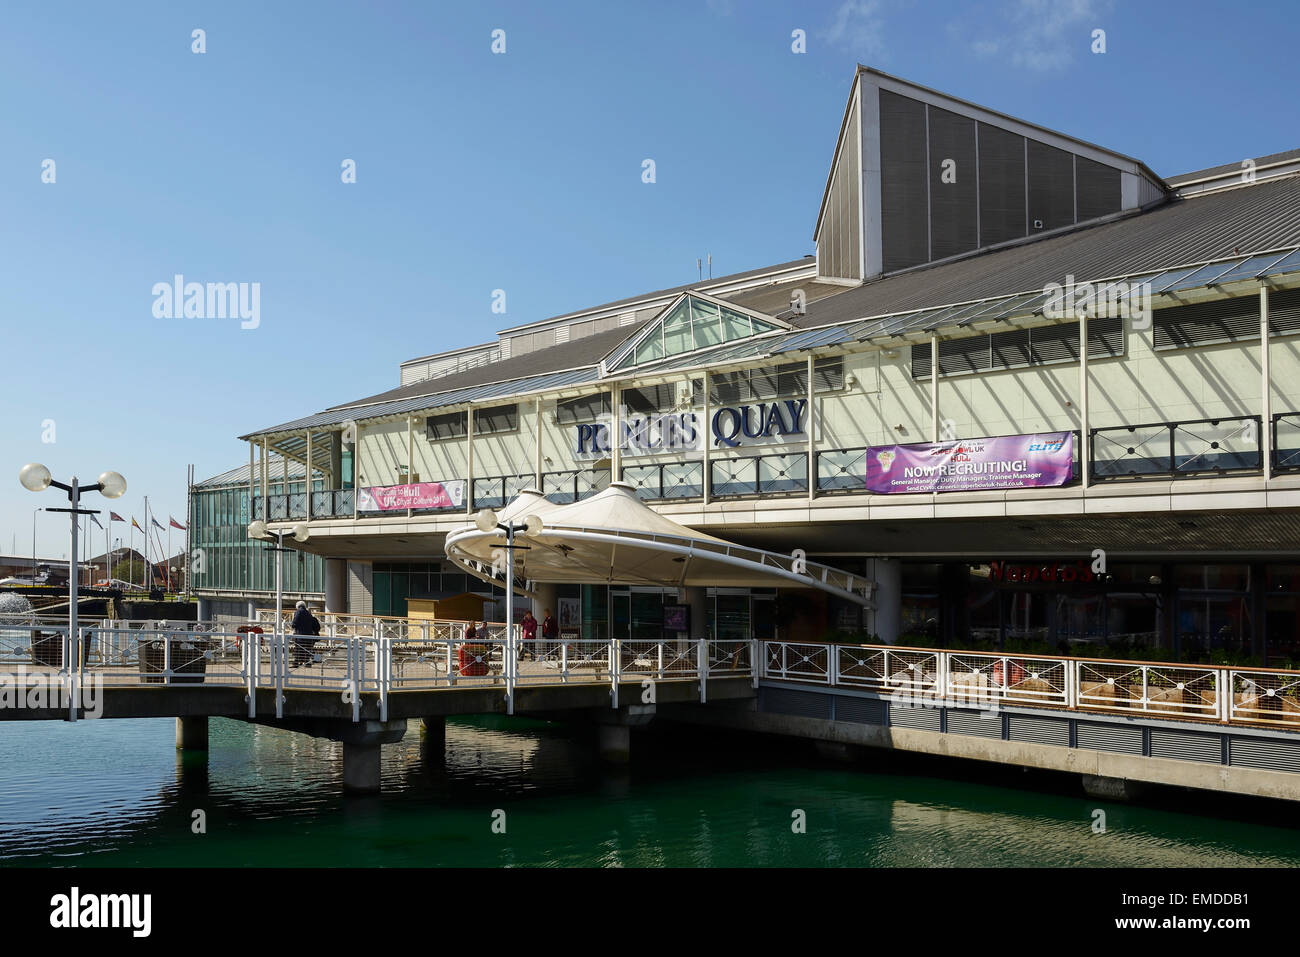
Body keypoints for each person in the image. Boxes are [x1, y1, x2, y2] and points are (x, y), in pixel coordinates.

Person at [290, 600, 321, 667]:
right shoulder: (308, 613)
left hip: (300, 634)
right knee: (306, 649)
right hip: (308, 635)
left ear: (297, 606)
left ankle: (295, 663)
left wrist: (293, 625)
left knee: (298, 649)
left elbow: (295, 622)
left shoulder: (298, 611)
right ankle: (307, 663)